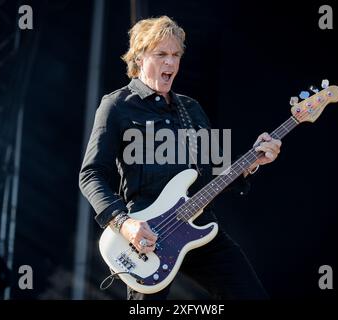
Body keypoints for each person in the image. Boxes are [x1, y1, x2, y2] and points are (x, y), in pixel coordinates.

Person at [79, 16, 282, 300]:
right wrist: (125, 223)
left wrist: (251, 163)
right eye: (161, 54)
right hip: (146, 236)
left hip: (197, 226)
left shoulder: (191, 109)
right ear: (139, 58)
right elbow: (91, 175)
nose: (171, 63)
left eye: (175, 55)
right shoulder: (117, 107)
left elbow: (214, 172)